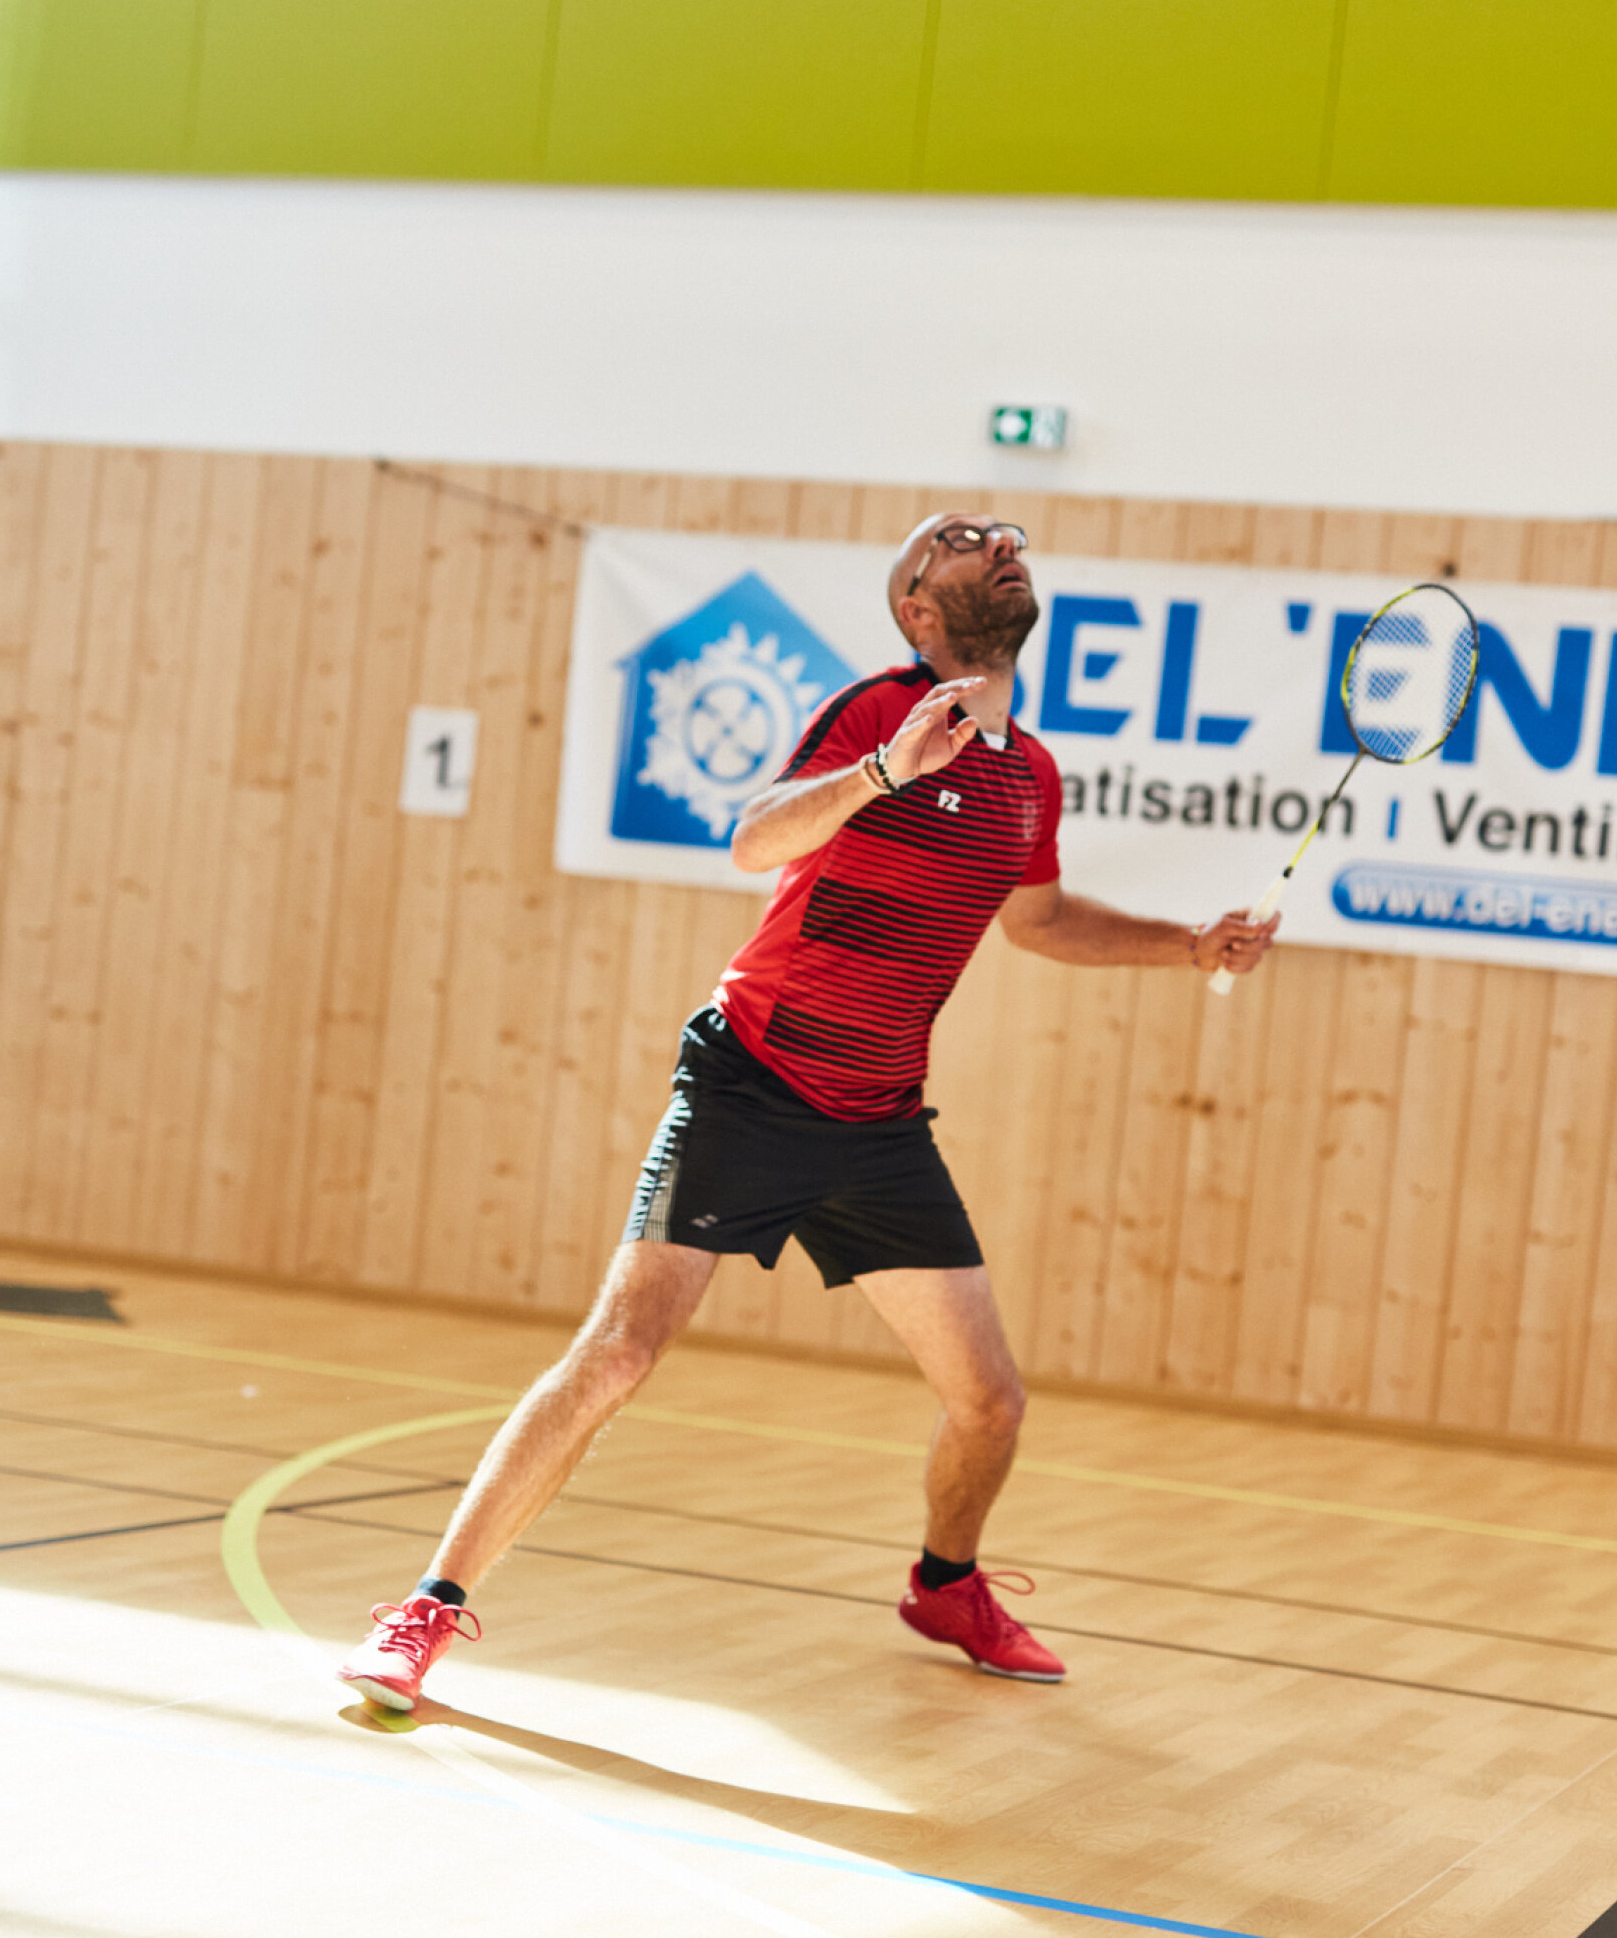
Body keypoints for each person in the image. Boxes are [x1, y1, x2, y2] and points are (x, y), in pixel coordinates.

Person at [339, 515, 1278, 1709]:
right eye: (958, 541)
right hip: (753, 1080)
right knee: (619, 1353)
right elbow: (753, 840)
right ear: (919, 610)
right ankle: (424, 1611)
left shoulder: (1031, 774)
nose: (1000, 539)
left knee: (990, 1400)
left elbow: (1038, 921)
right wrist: (888, 769)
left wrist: (1188, 944)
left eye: (1003, 535)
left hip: (878, 1121)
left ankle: (947, 1584)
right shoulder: (877, 709)